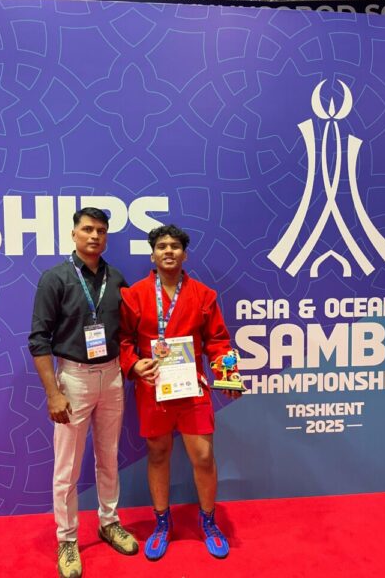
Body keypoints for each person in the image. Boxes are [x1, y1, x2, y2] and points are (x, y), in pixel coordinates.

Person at [28, 207, 138, 578]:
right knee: (67, 468)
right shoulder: (55, 278)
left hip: (112, 377)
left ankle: (109, 522)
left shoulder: (116, 278)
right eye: (88, 229)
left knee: (108, 458)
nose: (94, 236)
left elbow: (127, 332)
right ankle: (67, 539)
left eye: (101, 231)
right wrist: (53, 393)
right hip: (73, 379)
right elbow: (38, 340)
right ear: (74, 234)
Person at [119, 224, 239, 561]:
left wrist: (227, 376)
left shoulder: (204, 294)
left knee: (203, 456)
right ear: (153, 255)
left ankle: (209, 522)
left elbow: (218, 341)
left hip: (191, 387)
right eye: (162, 246)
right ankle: (162, 523)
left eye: (175, 246)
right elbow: (123, 340)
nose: (168, 251)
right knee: (158, 453)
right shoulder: (134, 295)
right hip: (153, 386)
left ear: (184, 255)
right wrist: (134, 364)